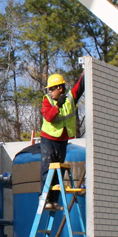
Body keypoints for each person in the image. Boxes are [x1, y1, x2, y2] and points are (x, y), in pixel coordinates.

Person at [38, 72, 84, 208]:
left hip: (62, 139)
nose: (50, 92)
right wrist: (57, 106)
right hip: (48, 138)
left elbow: (80, 86)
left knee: (59, 171)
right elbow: (49, 117)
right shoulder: (47, 100)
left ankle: (53, 201)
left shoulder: (70, 98)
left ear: (60, 88)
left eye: (52, 89)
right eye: (49, 89)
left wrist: (85, 71)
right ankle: (45, 197)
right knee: (47, 167)